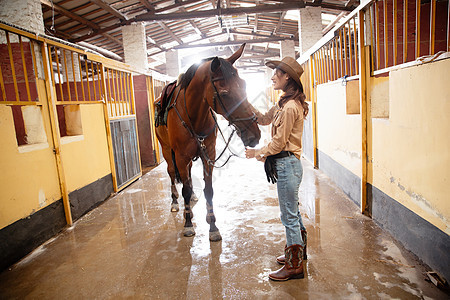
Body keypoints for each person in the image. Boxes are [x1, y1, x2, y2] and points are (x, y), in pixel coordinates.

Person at [245, 56, 309, 281]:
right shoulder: (283, 103)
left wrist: (257, 152)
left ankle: (294, 266)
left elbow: (279, 143)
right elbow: (263, 119)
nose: (273, 77)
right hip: (285, 165)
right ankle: (299, 254)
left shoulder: (291, 107)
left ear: (287, 77)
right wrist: (244, 102)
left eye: (277, 74)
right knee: (294, 213)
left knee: (289, 216)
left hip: (287, 165)